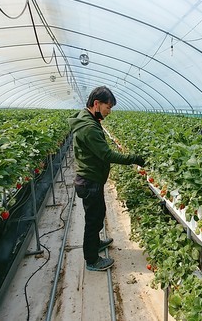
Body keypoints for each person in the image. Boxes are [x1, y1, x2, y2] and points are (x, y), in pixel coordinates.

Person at [68, 86, 145, 271]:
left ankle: (96, 243)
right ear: (96, 104)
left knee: (97, 214)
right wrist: (134, 158)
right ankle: (92, 260)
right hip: (90, 181)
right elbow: (106, 155)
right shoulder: (88, 128)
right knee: (93, 219)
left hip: (90, 178)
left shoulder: (87, 119)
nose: (109, 112)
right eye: (107, 107)